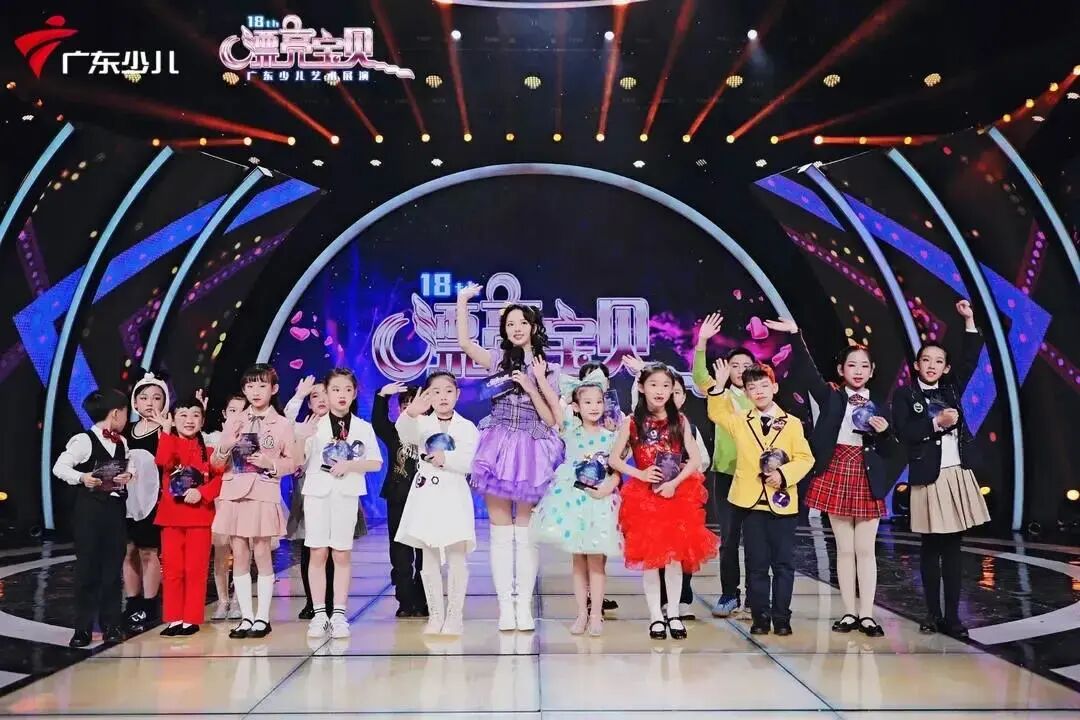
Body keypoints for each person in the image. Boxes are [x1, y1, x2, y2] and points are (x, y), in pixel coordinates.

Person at [767, 318, 894, 637]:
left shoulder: (881, 403)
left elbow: (891, 449)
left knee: (866, 550)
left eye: (864, 366)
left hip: (866, 475)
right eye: (852, 365)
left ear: (872, 370)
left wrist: (884, 432)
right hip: (836, 469)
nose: (858, 371)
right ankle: (849, 612)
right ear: (841, 370)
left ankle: (867, 615)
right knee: (845, 549)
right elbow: (809, 371)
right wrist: (795, 335)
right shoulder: (832, 396)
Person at [455, 283, 563, 632]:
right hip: (498, 444)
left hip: (531, 447)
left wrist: (534, 383)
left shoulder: (548, 367)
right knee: (500, 531)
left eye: (522, 323)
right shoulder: (497, 360)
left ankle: (523, 606)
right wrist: (462, 301)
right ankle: (505, 607)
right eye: (510, 323)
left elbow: (552, 419)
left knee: (525, 532)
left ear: (533, 327)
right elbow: (465, 344)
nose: (516, 328)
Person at [893, 299, 989, 638]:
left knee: (953, 548)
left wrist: (969, 320)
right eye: (926, 360)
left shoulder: (951, 390)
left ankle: (953, 617)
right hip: (928, 477)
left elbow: (971, 358)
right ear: (916, 365)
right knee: (931, 547)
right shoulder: (905, 396)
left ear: (946, 368)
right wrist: (936, 424)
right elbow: (904, 433)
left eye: (938, 361)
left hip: (956, 473)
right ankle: (932, 615)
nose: (932, 365)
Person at [609, 363, 719, 640]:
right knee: (651, 561)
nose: (659, 391)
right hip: (644, 499)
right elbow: (614, 459)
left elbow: (694, 459)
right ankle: (655, 617)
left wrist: (673, 483)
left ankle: (674, 614)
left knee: (674, 560)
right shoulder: (631, 422)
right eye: (654, 385)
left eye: (666, 386)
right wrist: (640, 474)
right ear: (642, 387)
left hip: (676, 497)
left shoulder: (679, 420)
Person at [708, 360, 814, 636]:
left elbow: (805, 458)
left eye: (764, 386)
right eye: (752, 387)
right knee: (756, 564)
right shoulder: (740, 420)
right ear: (746, 393)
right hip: (750, 503)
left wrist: (783, 474)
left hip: (782, 502)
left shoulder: (791, 423)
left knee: (783, 564)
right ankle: (760, 617)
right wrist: (719, 386)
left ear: (775, 387)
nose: (759, 391)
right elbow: (716, 413)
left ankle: (782, 618)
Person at [531, 369, 622, 636]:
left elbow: (617, 469)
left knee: (596, 560)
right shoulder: (570, 429)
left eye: (598, 401)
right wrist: (540, 380)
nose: (594, 407)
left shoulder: (612, 436)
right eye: (587, 402)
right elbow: (553, 406)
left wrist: (608, 487)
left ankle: (596, 615)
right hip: (573, 500)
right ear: (576, 406)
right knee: (578, 560)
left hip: (600, 500)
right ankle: (582, 613)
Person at [211, 363, 297, 640]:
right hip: (233, 492)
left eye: (262, 385)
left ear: (274, 389)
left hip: (262, 492)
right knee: (239, 554)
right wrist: (225, 445)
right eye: (250, 386)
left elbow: (293, 462)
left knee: (262, 553)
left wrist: (270, 464)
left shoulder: (282, 424)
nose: (255, 391)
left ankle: (262, 617)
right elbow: (216, 463)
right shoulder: (235, 420)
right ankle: (246, 616)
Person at [295, 368, 382, 640]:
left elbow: (375, 463)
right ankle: (320, 614)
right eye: (335, 390)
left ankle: (339, 614)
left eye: (347, 389)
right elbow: (298, 462)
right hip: (317, 494)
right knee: (318, 552)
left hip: (346, 494)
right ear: (327, 393)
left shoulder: (363, 427)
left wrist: (350, 465)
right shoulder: (313, 425)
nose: (341, 395)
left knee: (342, 554)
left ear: (355, 393)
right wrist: (300, 437)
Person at [394, 372, 479, 636]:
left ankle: (454, 616)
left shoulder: (467, 427)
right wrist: (410, 413)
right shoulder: (420, 421)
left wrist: (446, 460)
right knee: (428, 558)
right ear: (428, 395)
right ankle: (436, 615)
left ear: (457, 395)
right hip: (426, 495)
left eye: (448, 391)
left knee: (456, 558)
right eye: (436, 392)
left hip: (454, 493)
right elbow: (404, 434)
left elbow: (471, 462)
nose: (443, 397)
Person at [53, 389, 135, 647]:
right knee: (87, 569)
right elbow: (59, 467)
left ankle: (112, 625)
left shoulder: (122, 442)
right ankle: (82, 629)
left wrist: (128, 476)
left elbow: (129, 465)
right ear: (116, 413)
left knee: (112, 569)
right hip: (89, 511)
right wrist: (82, 477)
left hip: (114, 510)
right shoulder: (84, 440)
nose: (126, 418)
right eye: (125, 413)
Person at [691, 313, 757, 617]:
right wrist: (703, 341)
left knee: (757, 541)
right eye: (735, 365)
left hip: (756, 478)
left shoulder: (760, 396)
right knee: (729, 539)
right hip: (727, 474)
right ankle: (730, 594)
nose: (741, 371)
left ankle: (756, 597)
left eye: (746, 366)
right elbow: (699, 376)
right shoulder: (721, 394)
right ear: (727, 369)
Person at [151, 396, 223, 636]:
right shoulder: (168, 442)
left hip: (199, 518)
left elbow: (219, 479)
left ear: (202, 421)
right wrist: (166, 431)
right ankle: (174, 618)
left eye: (195, 415)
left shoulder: (209, 451)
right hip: (171, 517)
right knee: (172, 569)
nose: (189, 420)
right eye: (183, 415)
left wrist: (202, 493)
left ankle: (191, 618)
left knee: (195, 569)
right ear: (173, 419)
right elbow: (162, 461)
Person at [283, 376, 335, 620]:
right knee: (308, 548)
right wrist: (298, 395)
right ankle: (312, 601)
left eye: (326, 393)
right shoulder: (302, 426)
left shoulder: (342, 425)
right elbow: (286, 420)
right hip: (307, 493)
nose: (321, 399)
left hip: (335, 493)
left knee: (334, 550)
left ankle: (332, 601)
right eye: (315, 396)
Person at [373, 381, 427, 618]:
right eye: (405, 405)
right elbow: (378, 422)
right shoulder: (394, 432)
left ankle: (423, 599)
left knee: (426, 552)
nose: (410, 409)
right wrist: (382, 395)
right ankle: (405, 600)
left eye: (416, 404)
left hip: (427, 500)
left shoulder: (432, 433)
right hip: (398, 496)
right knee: (400, 552)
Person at [122, 372, 169, 634]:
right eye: (144, 397)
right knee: (128, 551)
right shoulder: (125, 432)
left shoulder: (166, 430)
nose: (150, 402)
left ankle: (150, 604)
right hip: (127, 500)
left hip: (155, 501)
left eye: (156, 397)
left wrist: (166, 431)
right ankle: (132, 601)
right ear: (135, 402)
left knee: (149, 552)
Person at [207, 392, 247, 621]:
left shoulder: (253, 438)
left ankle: (238, 600)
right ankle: (222, 600)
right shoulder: (213, 438)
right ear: (224, 413)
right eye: (232, 410)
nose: (237, 415)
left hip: (245, 498)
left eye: (242, 411)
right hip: (220, 500)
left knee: (242, 552)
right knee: (221, 552)